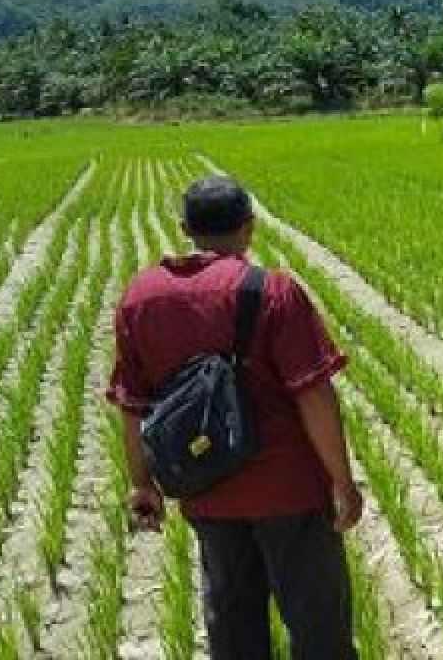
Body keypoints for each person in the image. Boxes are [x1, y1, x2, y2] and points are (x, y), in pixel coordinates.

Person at [107, 175, 362, 660]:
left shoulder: (139, 299)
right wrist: (342, 482)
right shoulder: (272, 292)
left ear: (185, 227)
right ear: (249, 226)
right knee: (319, 627)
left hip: (207, 489)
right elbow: (314, 397)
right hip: (291, 493)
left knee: (231, 626)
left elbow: (132, 405)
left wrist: (142, 483)